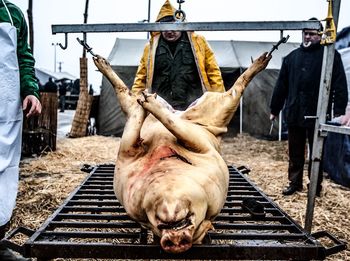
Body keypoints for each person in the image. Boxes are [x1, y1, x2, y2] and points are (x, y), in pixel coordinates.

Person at [269, 18, 348, 196]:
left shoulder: (330, 56)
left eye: (312, 34)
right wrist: (275, 109)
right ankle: (294, 183)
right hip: (295, 111)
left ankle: (315, 186)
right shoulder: (291, 58)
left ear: (320, 35)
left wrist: (339, 111)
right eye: (305, 33)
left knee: (317, 153)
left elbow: (340, 84)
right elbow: (281, 86)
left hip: (318, 113)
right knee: (295, 151)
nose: (308, 37)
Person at [0, 0, 42, 260]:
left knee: (3, 173)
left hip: (5, 109)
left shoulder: (12, 13)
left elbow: (23, 57)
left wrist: (31, 90)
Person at [131, 0, 225, 110]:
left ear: (181, 25)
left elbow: (213, 72)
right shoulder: (150, 47)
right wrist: (135, 101)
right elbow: (141, 77)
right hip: (160, 107)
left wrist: (219, 100)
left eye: (174, 27)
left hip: (194, 106)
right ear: (159, 28)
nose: (170, 31)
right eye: (165, 28)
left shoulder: (198, 42)